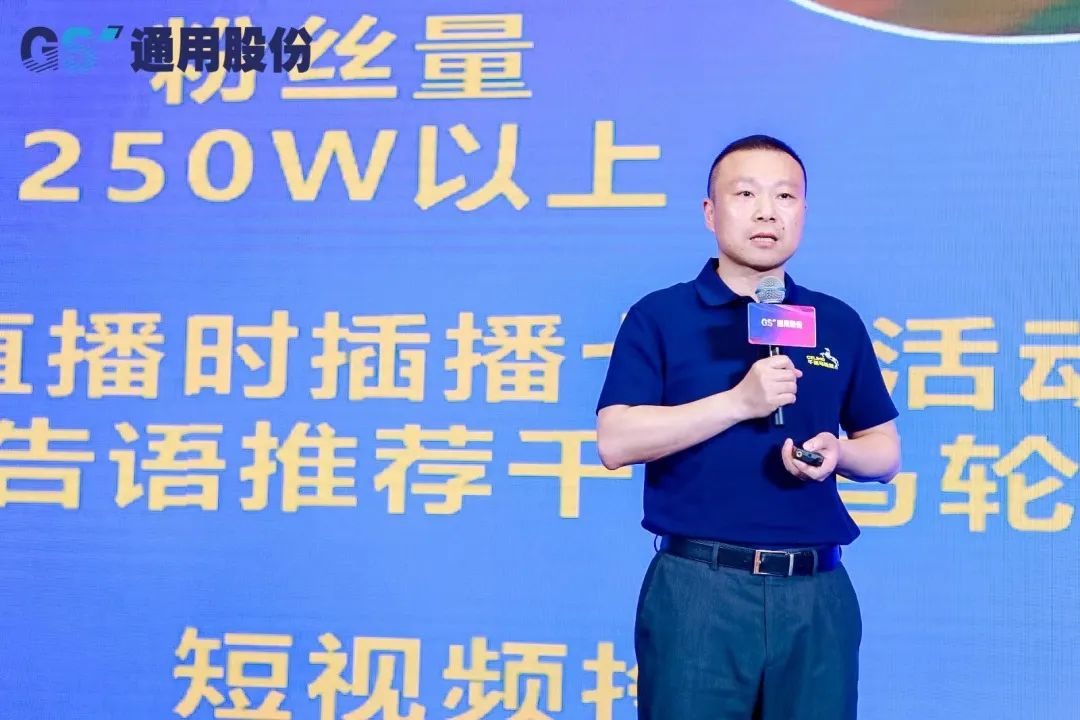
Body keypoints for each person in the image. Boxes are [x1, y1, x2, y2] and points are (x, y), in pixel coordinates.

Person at [595, 135, 901, 720]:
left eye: (785, 196)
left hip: (816, 595)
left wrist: (839, 454)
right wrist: (738, 402)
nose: (767, 212)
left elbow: (885, 452)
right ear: (710, 212)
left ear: (803, 212)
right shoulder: (660, 316)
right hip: (700, 592)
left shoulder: (836, 320)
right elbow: (616, 440)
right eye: (745, 195)